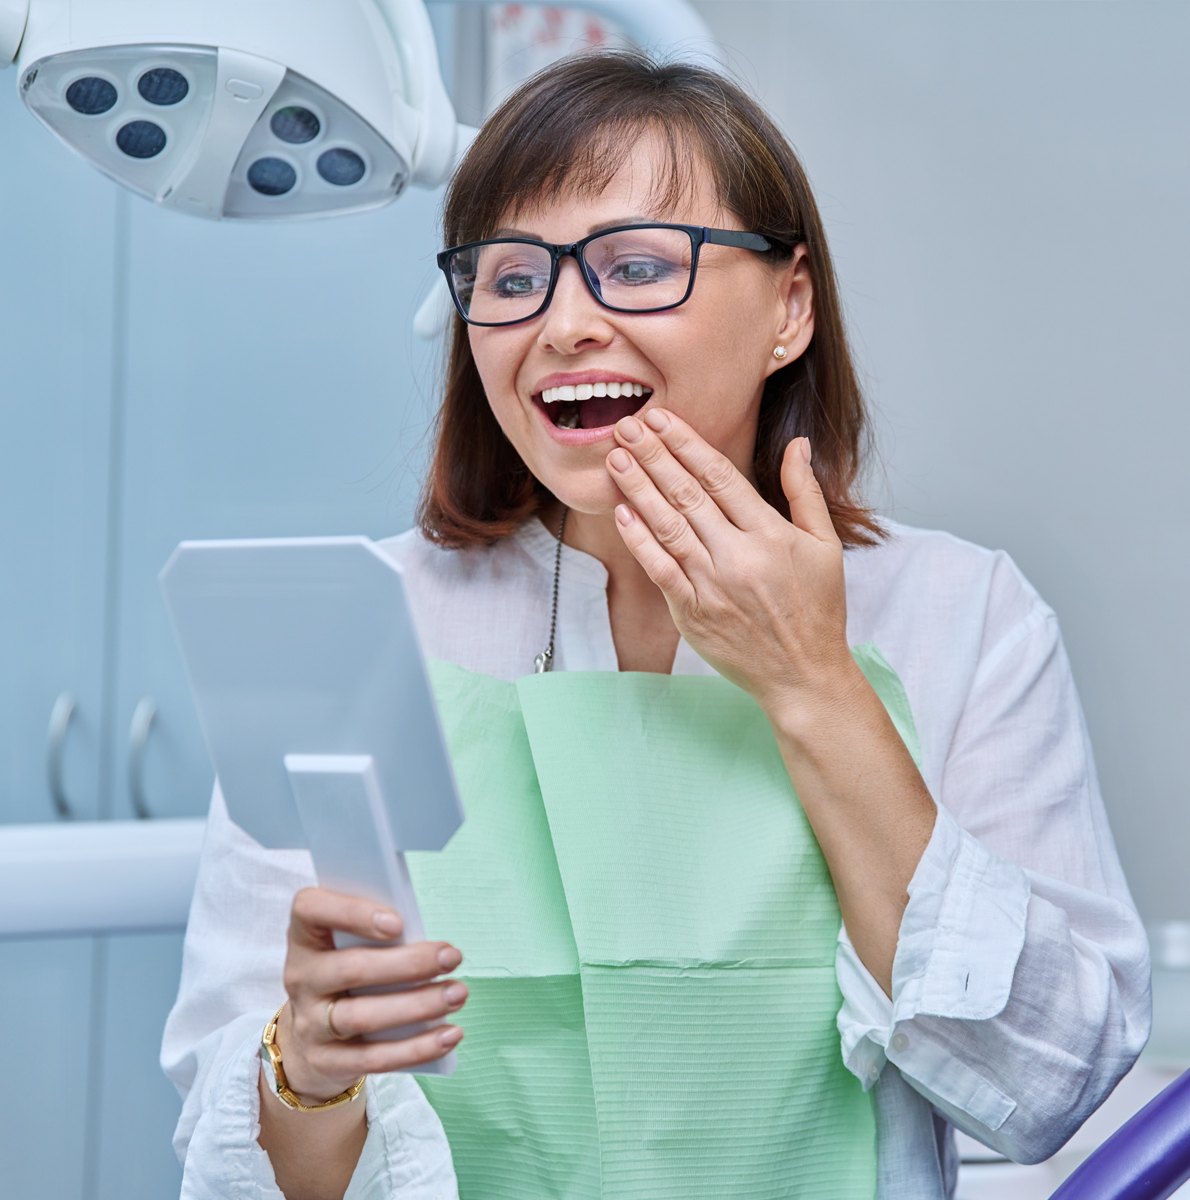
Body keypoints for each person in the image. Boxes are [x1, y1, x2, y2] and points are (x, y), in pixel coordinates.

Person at [161, 52, 1150, 1200]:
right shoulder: (346, 630)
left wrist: (812, 684)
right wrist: (306, 1075)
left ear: (790, 306)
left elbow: (1052, 1085)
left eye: (635, 266)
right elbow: (235, 1162)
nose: (564, 323)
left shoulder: (964, 616)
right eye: (512, 277)